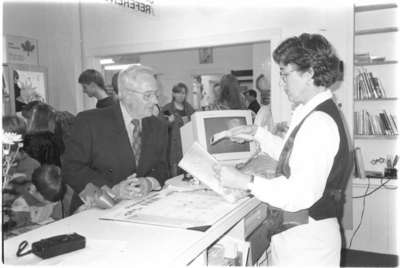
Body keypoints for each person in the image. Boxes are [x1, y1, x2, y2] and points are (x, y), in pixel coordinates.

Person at [215, 33, 352, 266]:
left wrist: (245, 181)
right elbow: (295, 156)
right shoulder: (312, 111)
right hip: (304, 234)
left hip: (307, 243)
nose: (281, 83)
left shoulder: (319, 122)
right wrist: (257, 134)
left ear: (309, 73)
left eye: (285, 75)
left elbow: (298, 194)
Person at [63, 64, 169, 205]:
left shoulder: (158, 126)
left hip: (139, 206)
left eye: (156, 94)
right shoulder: (89, 122)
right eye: (148, 95)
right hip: (98, 208)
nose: (155, 101)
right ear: (125, 95)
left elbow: (162, 168)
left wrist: (149, 182)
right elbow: (72, 168)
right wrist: (113, 189)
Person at [161, 83, 195, 176]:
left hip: (187, 145)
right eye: (178, 93)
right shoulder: (167, 109)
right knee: (174, 173)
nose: (181, 95)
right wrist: (169, 122)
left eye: (183, 93)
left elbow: (195, 123)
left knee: (188, 173)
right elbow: (160, 126)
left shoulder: (189, 108)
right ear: (173, 94)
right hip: (173, 147)